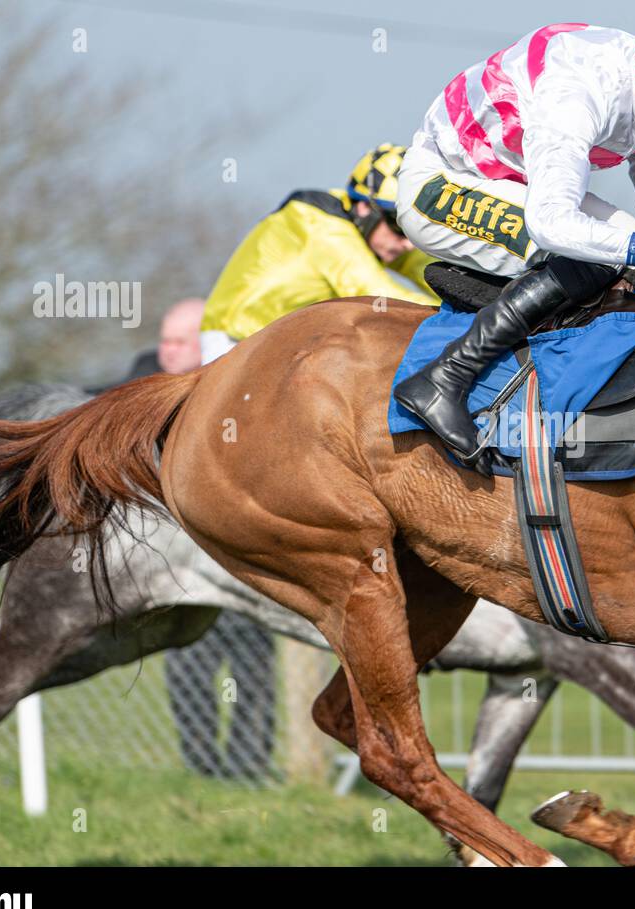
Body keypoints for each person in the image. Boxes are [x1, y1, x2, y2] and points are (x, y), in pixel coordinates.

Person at [392, 10, 635, 466]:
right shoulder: (580, 93)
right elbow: (551, 223)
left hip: (511, 185)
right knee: (601, 250)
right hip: (442, 186)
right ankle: (444, 378)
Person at [121, 299, 280, 781]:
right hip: (174, 561)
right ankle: (201, 769)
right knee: (188, 665)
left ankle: (249, 767)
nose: (165, 352)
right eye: (163, 340)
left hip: (239, 555)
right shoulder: (143, 382)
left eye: (178, 342)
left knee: (251, 668)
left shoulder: (240, 386)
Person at [198, 143, 440, 364]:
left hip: (281, 344)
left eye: (415, 229)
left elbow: (430, 269)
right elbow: (378, 294)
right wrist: (458, 321)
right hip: (234, 341)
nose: (409, 244)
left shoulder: (370, 228)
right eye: (400, 226)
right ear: (365, 207)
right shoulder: (321, 226)